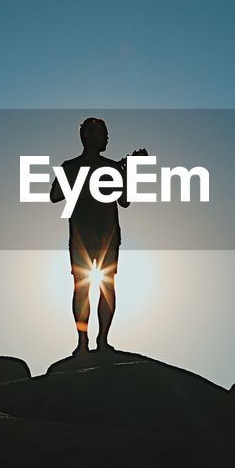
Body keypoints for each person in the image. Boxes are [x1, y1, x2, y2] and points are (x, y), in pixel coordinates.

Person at [50, 117, 141, 358]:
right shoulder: (70, 166)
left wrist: (128, 172)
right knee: (82, 287)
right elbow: (55, 195)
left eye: (105, 134)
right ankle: (82, 342)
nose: (106, 138)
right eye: (101, 133)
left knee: (107, 285)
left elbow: (124, 200)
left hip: (108, 234)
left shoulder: (112, 167)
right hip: (81, 234)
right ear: (87, 137)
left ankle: (102, 341)